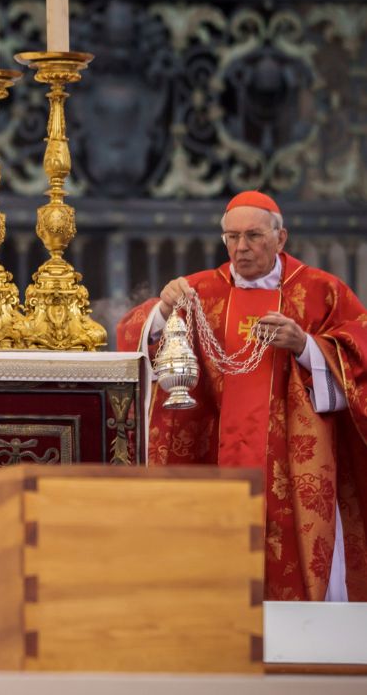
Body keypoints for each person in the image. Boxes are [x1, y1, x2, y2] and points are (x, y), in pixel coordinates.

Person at [117, 190, 367, 601]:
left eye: (253, 236)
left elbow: (358, 358)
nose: (241, 248)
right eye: (231, 237)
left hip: (290, 461)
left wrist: (304, 345)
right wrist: (161, 310)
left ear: (280, 238)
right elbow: (132, 335)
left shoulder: (320, 291)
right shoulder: (200, 292)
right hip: (214, 454)